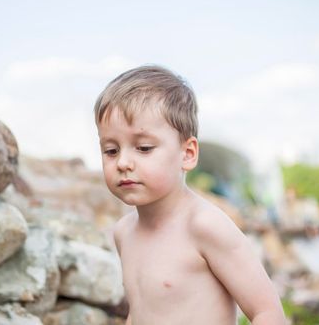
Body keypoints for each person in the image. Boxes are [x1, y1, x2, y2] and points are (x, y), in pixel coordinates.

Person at [94, 65, 286, 325]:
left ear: (187, 154)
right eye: (111, 150)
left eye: (144, 147)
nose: (123, 162)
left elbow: (267, 311)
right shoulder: (124, 232)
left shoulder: (205, 226)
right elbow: (141, 312)